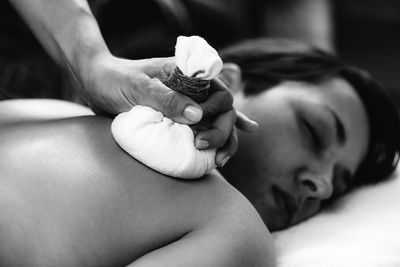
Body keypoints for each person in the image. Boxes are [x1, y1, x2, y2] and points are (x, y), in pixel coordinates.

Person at [0, 38, 399, 266]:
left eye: (339, 184)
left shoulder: (234, 226)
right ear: (226, 81)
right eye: (313, 131)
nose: (322, 185)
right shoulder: (59, 112)